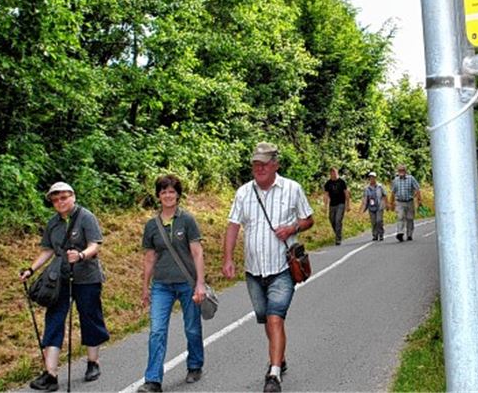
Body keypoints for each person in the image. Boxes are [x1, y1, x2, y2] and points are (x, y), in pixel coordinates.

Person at [223, 142, 314, 393]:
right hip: (254, 271)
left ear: (276, 164)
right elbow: (233, 226)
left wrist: (292, 228)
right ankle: (279, 357)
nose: (259, 168)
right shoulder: (243, 192)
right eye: (256, 164)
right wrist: (228, 258)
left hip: (283, 268)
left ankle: (273, 375)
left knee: (275, 317)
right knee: (266, 318)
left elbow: (309, 219)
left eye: (264, 163)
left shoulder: (292, 189)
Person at [20, 182, 109, 392]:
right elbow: (48, 250)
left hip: (87, 277)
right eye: (55, 199)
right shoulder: (53, 223)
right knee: (54, 319)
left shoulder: (86, 217)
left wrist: (80, 255)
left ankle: (93, 362)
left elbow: (95, 245)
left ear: (73, 197)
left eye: (63, 197)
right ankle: (50, 374)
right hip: (59, 278)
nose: (60, 202)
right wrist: (31, 270)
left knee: (90, 317)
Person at [138, 175, 206, 393]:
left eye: (171, 191)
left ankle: (195, 364)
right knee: (157, 331)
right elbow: (150, 257)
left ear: (178, 194)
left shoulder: (187, 220)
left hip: (187, 283)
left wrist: (200, 284)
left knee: (192, 328)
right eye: (163, 191)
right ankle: (153, 380)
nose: (168, 195)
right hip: (162, 285)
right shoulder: (151, 225)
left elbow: (197, 252)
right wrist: (145, 287)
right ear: (158, 195)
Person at [389, 164, 422, 242]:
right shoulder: (395, 180)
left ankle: (409, 234)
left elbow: (417, 189)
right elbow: (393, 192)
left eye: (403, 170)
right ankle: (400, 233)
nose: (401, 172)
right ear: (398, 171)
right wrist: (391, 203)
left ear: (405, 171)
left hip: (409, 201)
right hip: (399, 202)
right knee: (400, 217)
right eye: (400, 170)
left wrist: (419, 200)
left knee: (410, 218)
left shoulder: (411, 178)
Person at [322, 167, 350, 245]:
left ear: (337, 173)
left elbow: (346, 193)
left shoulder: (342, 182)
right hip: (332, 204)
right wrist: (325, 206)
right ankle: (338, 233)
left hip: (341, 203)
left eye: (334, 173)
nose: (333, 174)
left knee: (338, 220)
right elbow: (326, 195)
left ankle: (338, 238)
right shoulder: (328, 183)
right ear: (330, 174)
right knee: (332, 220)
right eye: (331, 173)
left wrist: (348, 205)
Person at [361, 171, 388, 241]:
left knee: (379, 221)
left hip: (379, 206)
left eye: (373, 177)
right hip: (371, 207)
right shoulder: (367, 188)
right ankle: (375, 235)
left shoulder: (380, 186)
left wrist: (387, 204)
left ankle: (381, 234)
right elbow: (365, 199)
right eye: (370, 177)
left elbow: (384, 195)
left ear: (375, 178)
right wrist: (363, 208)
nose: (372, 179)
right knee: (373, 222)